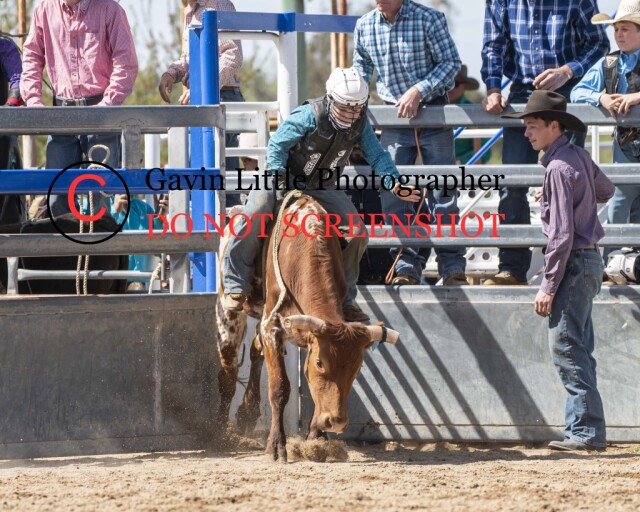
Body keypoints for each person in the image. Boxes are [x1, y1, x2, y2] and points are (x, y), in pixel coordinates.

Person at [222, 67, 420, 323]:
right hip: (281, 176)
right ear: (331, 100)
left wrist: (395, 183)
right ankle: (235, 283)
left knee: (357, 233)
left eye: (357, 108)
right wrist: (278, 176)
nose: (352, 114)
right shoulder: (308, 115)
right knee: (256, 212)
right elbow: (278, 145)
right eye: (346, 108)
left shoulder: (360, 124)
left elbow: (377, 155)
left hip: (323, 184)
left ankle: (345, 299)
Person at [503, 90, 614, 451]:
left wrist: (548, 286)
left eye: (533, 126)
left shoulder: (556, 168)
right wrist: (562, 197)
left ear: (554, 126)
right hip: (589, 260)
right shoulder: (577, 156)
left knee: (566, 346)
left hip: (574, 263)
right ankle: (585, 430)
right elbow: (605, 189)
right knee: (577, 346)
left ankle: (585, 432)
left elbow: (562, 236)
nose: (526, 133)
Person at [482, 0, 609, 286]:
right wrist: (492, 88)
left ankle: (575, 264)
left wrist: (567, 70)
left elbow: (599, 43)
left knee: (570, 182)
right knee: (512, 184)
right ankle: (512, 269)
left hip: (567, 91)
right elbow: (493, 46)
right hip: (522, 93)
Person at [353, 0, 467, 287]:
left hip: (433, 114)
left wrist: (418, 90)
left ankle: (452, 267)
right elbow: (361, 68)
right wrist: (354, 99)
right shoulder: (365, 25)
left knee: (443, 194)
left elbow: (450, 64)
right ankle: (406, 265)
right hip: (394, 117)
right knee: (394, 193)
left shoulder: (429, 18)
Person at [20, 0, 138, 217]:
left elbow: (125, 62)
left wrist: (107, 104)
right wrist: (34, 101)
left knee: (98, 197)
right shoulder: (44, 9)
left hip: (101, 112)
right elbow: (32, 56)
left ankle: (98, 238)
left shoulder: (110, 9)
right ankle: (66, 238)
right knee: (57, 198)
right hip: (61, 113)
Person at [572, 0, 640, 277]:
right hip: (625, 143)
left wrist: (637, 96)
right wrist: (601, 97)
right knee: (620, 203)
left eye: (625, 29)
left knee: (626, 203)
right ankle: (613, 266)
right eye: (616, 29)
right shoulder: (609, 62)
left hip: (626, 143)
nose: (619, 34)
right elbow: (577, 92)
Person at [159, 0, 244, 197]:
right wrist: (171, 74)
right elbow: (188, 58)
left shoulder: (219, 5)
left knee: (220, 180)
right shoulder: (191, 11)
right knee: (202, 177)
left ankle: (226, 215)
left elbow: (233, 56)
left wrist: (203, 85)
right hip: (203, 99)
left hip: (221, 96)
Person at [449, 65, 491, 165]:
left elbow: (485, 152)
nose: (449, 88)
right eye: (447, 84)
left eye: (455, 84)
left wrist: (459, 161)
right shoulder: (430, 110)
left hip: (465, 169)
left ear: (465, 86)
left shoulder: (475, 112)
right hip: (437, 168)